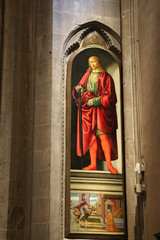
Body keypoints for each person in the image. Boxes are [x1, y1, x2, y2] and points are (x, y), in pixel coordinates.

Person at [72, 56, 118, 174]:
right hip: (89, 112)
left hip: (101, 111)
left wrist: (96, 100)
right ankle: (93, 164)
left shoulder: (106, 77)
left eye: (93, 62)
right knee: (92, 139)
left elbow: (111, 95)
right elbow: (80, 89)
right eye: (90, 62)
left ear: (98, 62)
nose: (92, 64)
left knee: (103, 136)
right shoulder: (87, 75)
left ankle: (109, 165)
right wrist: (78, 90)